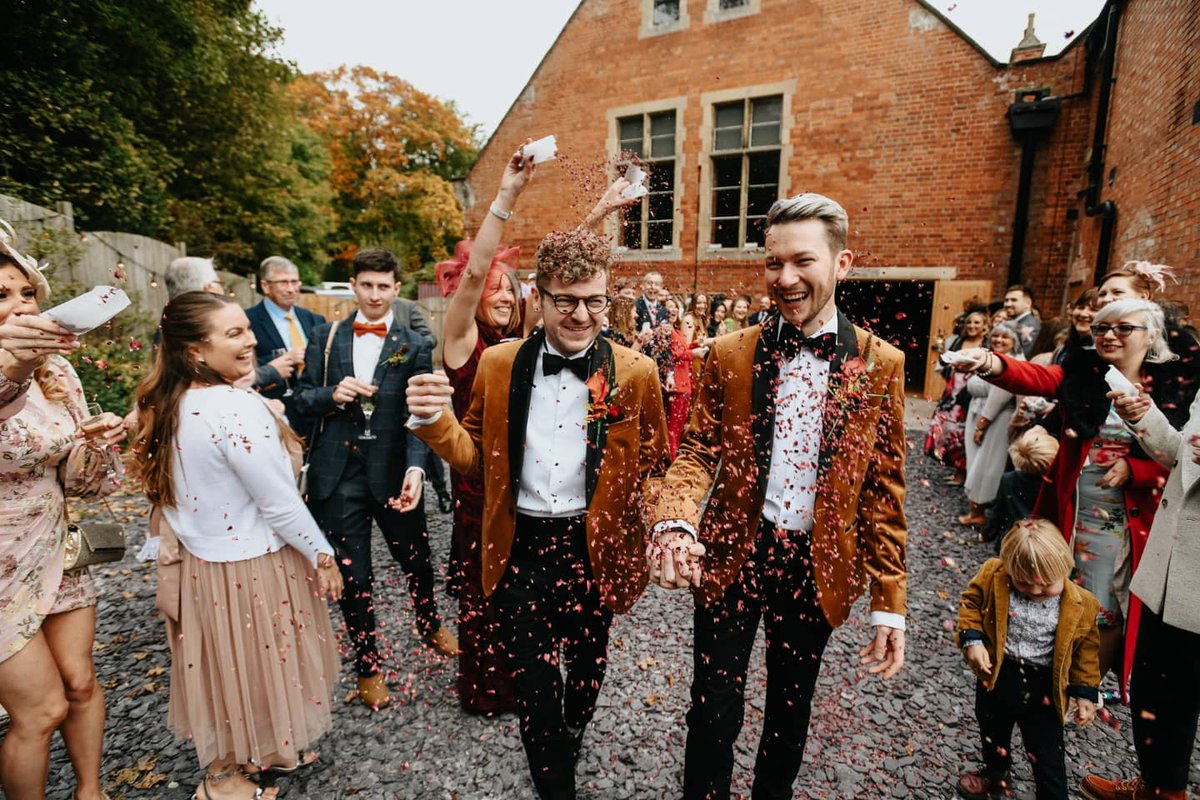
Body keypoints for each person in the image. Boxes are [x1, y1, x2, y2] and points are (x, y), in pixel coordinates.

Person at [648, 193, 908, 799]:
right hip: (734, 553)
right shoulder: (732, 352)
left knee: (790, 718)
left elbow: (883, 488)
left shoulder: (881, 364)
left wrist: (889, 600)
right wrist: (677, 521)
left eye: (803, 261)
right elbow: (696, 452)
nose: (784, 278)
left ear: (843, 264)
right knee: (711, 711)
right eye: (773, 263)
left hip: (815, 565)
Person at [406, 227, 670, 800]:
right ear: (541, 299)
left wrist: (664, 530)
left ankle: (573, 726)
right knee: (534, 689)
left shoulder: (637, 373)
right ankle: (554, 779)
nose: (581, 315)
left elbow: (655, 467)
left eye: (594, 301)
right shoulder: (499, 364)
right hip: (519, 548)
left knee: (587, 673)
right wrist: (434, 424)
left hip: (592, 550)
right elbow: (473, 456)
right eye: (566, 301)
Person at [131, 290, 343, 800]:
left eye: (245, 329)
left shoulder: (170, 402)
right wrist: (322, 554)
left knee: (232, 665)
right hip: (250, 562)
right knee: (255, 662)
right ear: (195, 351)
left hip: (204, 562)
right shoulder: (234, 408)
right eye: (234, 334)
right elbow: (280, 503)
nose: (250, 339)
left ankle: (267, 748)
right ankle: (223, 778)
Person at [950, 298, 1197, 701]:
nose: (1108, 336)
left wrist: (1138, 471)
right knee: (1059, 584)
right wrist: (987, 363)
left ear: (1151, 334)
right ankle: (1053, 662)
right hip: (1073, 502)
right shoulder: (1084, 371)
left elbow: (1183, 456)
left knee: (1107, 600)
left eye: (1122, 328)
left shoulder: (1176, 386)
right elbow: (1035, 377)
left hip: (1128, 513)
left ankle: (1087, 684)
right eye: (1100, 329)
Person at [293, 247, 456, 712]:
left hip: (392, 472)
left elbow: (421, 414)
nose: (375, 294)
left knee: (418, 561)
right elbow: (300, 400)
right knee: (354, 577)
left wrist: (416, 468)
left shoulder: (413, 344)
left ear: (396, 289)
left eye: (384, 286)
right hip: (337, 477)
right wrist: (331, 392)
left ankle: (430, 623)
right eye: (367, 285)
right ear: (353, 285)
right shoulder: (325, 337)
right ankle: (367, 666)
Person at [0, 223, 126, 800]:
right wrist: (12, 371)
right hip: (0, 567)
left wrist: (94, 443)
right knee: (41, 709)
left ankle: (90, 792)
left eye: (27, 294)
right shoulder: (24, 371)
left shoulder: (58, 371)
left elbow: (82, 484)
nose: (21, 306)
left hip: (56, 545)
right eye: (2, 295)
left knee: (79, 684)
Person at [433, 153, 530, 717]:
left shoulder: (517, 342)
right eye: (494, 286)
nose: (503, 295)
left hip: (522, 483)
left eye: (509, 289)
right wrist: (506, 199)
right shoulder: (463, 337)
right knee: (484, 592)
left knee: (518, 591)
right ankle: (487, 691)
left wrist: (600, 212)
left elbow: (560, 287)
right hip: (479, 485)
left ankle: (522, 679)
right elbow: (473, 276)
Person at [1082, 382, 1200, 800]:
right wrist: (1144, 418)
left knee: (1185, 692)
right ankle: (1156, 785)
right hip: (1168, 566)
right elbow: (1182, 456)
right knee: (1152, 685)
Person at [955, 519, 1100, 800]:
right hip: (998, 673)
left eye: (1046, 585)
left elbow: (1086, 650)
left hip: (1045, 686)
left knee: (1047, 752)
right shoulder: (993, 575)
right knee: (992, 730)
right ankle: (996, 772)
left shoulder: (1083, 603)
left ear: (1064, 570)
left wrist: (1084, 693)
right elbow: (970, 603)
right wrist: (973, 640)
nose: (1034, 591)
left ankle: (1052, 794)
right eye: (1022, 582)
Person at [244, 256, 326, 418]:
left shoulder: (315, 319)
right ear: (265, 286)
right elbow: (239, 368)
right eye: (283, 282)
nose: (291, 289)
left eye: (294, 282)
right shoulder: (248, 320)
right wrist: (281, 361)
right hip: (271, 411)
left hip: (313, 412)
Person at [958, 323, 1022, 527]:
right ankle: (976, 506)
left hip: (995, 418)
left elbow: (999, 396)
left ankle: (978, 511)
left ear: (1015, 341)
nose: (999, 340)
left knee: (986, 463)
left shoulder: (1012, 362)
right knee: (976, 460)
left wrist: (982, 425)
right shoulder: (993, 357)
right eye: (996, 336)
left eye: (1005, 337)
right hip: (979, 413)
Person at [926, 307, 988, 485]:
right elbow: (944, 363)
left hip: (971, 391)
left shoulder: (987, 343)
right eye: (969, 322)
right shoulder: (958, 341)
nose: (972, 325)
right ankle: (954, 469)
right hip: (953, 388)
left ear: (984, 325)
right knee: (944, 427)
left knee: (962, 432)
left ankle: (963, 473)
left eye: (977, 322)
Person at [661, 294, 695, 458]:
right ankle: (670, 462)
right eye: (668, 306)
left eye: (675, 307)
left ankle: (673, 459)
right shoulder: (665, 331)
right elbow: (672, 354)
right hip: (676, 386)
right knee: (672, 429)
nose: (672, 309)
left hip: (685, 384)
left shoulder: (677, 331)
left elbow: (684, 349)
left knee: (678, 428)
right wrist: (693, 353)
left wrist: (698, 345)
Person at [1003, 284, 1041, 358]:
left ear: (1028, 303)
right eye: (1006, 300)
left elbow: (1023, 356)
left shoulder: (1030, 326)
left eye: (1014, 300)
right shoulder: (1014, 323)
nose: (1008, 304)